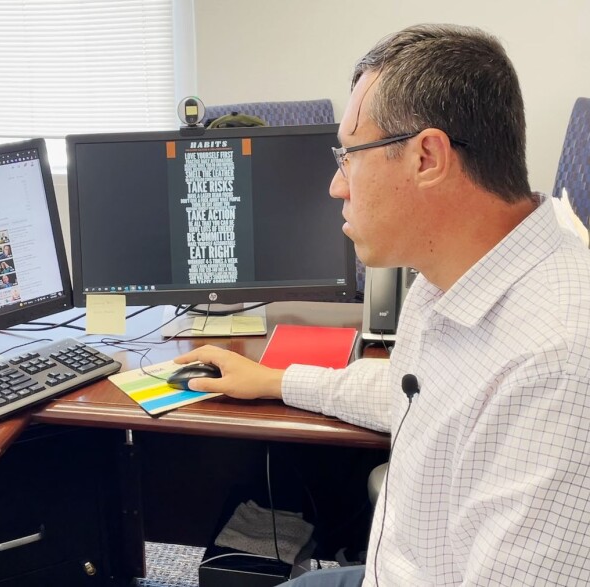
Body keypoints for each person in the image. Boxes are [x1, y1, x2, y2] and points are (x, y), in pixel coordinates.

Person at [175, 24, 590, 587]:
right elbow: (410, 390)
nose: (335, 186)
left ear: (427, 157)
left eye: (348, 156)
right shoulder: (449, 277)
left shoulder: (557, 362)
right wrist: (273, 380)